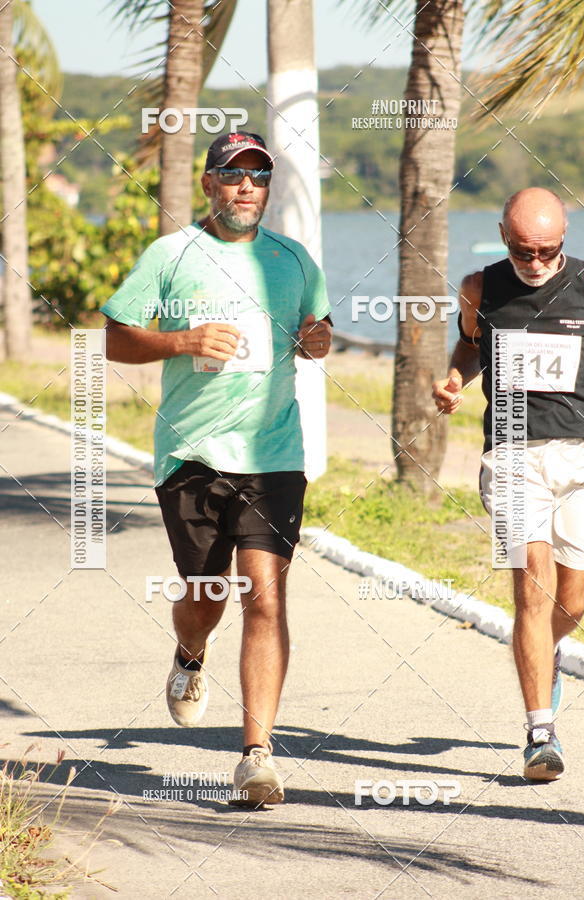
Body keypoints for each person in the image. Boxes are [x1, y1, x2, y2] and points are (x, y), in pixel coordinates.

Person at [101, 130, 332, 805]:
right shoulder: (171, 256)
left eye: (258, 177)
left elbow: (316, 333)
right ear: (208, 185)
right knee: (206, 596)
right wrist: (181, 339)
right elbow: (114, 335)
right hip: (193, 455)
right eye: (233, 176)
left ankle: (256, 756)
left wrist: (317, 341)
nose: (247, 189)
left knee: (264, 594)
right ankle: (189, 654)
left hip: (275, 455)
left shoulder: (294, 260)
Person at [432, 187, 584, 781]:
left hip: (581, 456)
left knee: (571, 604)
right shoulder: (480, 287)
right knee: (532, 590)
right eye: (525, 251)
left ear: (564, 240)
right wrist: (454, 376)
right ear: (505, 237)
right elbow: (472, 346)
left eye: (547, 251)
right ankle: (539, 732)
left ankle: (541, 656)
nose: (535, 263)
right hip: (508, 455)